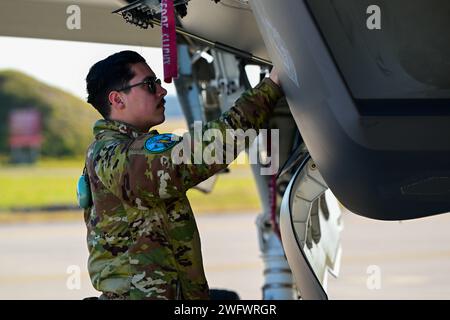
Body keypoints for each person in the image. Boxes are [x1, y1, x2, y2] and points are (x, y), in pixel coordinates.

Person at [82, 50, 283, 300]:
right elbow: (205, 151)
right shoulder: (113, 155)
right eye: (149, 85)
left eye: (156, 82)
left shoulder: (133, 148)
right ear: (117, 100)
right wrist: (271, 86)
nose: (161, 90)